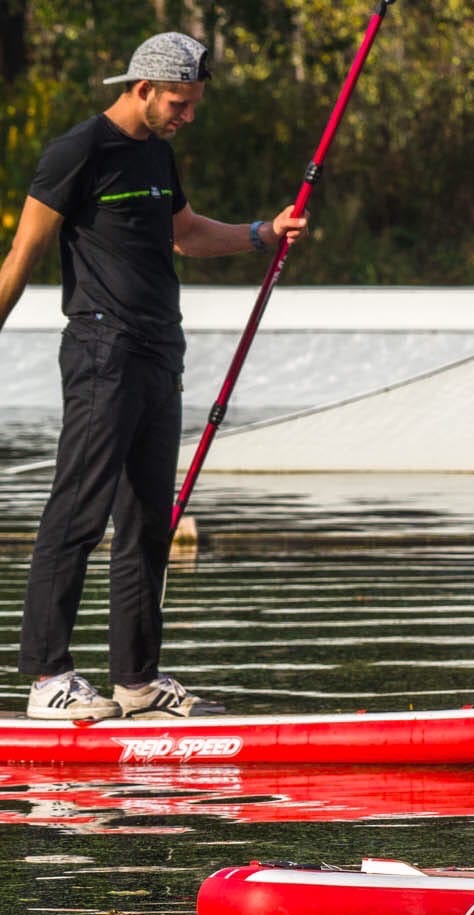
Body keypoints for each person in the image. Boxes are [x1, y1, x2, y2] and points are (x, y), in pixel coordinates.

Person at [0, 31, 308, 720]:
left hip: (158, 355)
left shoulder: (157, 152)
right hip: (100, 355)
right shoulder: (77, 152)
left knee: (146, 521)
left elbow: (186, 233)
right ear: (141, 88)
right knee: (78, 511)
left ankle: (136, 682)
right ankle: (48, 679)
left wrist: (262, 233)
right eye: (179, 102)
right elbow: (21, 257)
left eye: (193, 104)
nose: (187, 115)